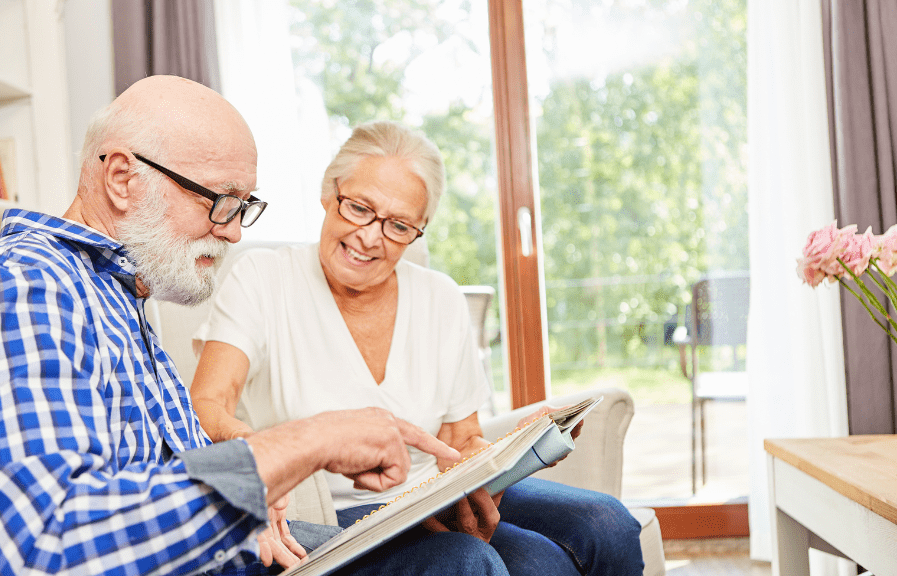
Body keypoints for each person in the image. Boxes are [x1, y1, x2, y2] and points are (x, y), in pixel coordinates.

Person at [0, 77, 508, 576]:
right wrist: (306, 443)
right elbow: (45, 545)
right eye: (219, 200)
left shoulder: (117, 296)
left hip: (207, 557)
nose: (233, 230)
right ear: (123, 178)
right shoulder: (19, 285)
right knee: (457, 562)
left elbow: (146, 477)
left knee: (489, 553)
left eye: (244, 206)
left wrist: (246, 501)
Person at [190, 120, 646, 575]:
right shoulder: (262, 279)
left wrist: (512, 451)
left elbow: (460, 441)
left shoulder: (440, 297)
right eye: (359, 208)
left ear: (420, 229)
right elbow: (207, 405)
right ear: (330, 192)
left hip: (433, 494)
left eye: (399, 225)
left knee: (606, 523)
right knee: (535, 564)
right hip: (332, 515)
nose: (370, 237)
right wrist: (266, 461)